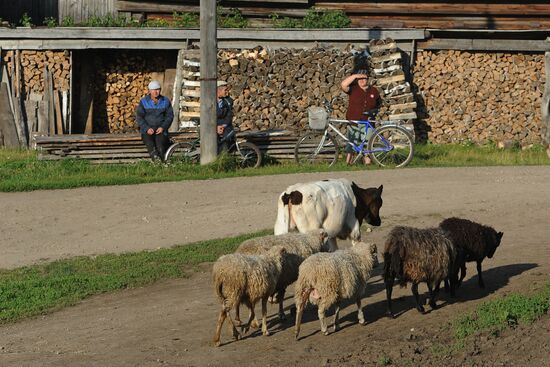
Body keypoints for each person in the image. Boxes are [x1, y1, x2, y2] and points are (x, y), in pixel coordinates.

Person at [341, 71, 381, 165]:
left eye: (364, 78)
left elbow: (379, 103)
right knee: (351, 142)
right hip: (353, 121)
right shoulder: (353, 89)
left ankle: (368, 163)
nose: (362, 81)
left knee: (367, 143)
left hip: (368, 121)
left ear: (368, 80)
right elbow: (343, 84)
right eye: (360, 79)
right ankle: (348, 163)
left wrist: (374, 112)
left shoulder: (374, 91)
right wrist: (355, 75)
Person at [136, 80, 174, 162]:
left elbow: (169, 116)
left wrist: (163, 127)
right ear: (149, 91)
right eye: (153, 90)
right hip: (147, 131)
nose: (156, 92)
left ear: (160, 90)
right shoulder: (144, 102)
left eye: (157, 89)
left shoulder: (165, 101)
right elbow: (139, 117)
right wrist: (146, 128)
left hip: (161, 130)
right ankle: (157, 162)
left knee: (160, 145)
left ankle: (163, 163)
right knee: (150, 144)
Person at [216, 80, 235, 153]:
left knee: (228, 136)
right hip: (212, 126)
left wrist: (223, 126)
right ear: (218, 90)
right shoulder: (209, 101)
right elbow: (208, 118)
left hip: (225, 126)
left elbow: (229, 115)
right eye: (225, 90)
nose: (227, 92)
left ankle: (225, 156)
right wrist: (215, 127)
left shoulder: (228, 101)